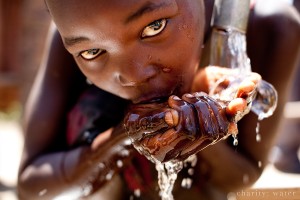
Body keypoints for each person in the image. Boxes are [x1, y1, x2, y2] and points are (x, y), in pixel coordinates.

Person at [17, 0, 300, 200]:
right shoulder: (74, 33)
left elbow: (243, 176)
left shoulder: (270, 28)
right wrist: (123, 136)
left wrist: (193, 123)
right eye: (92, 53)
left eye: (155, 26)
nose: (132, 75)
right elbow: (31, 185)